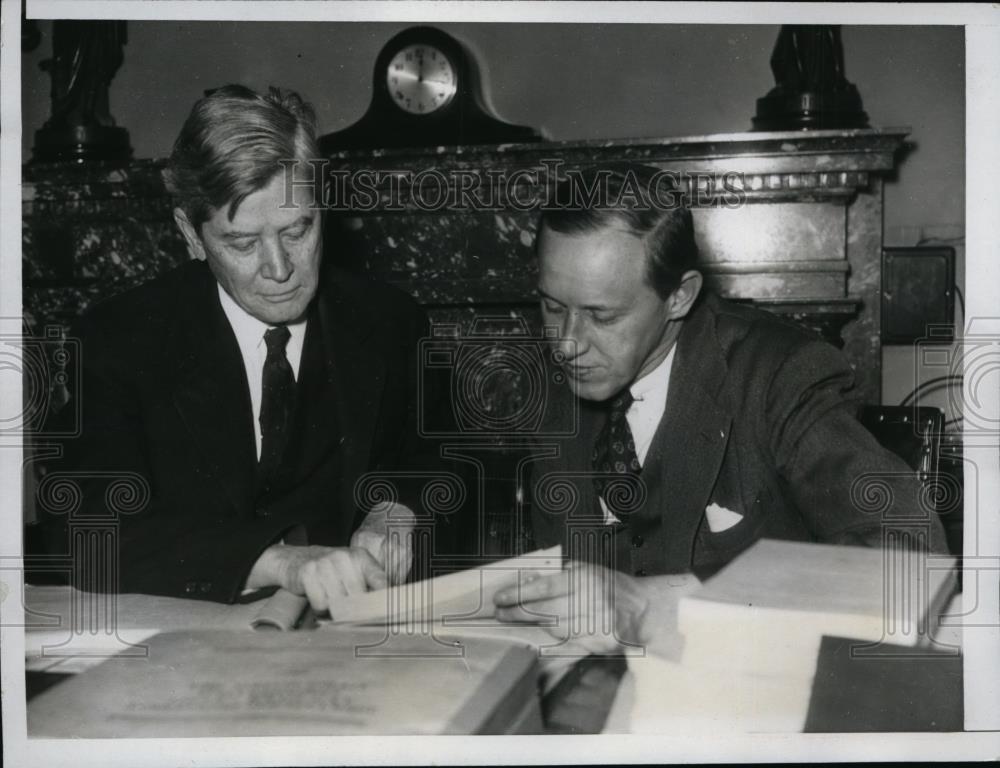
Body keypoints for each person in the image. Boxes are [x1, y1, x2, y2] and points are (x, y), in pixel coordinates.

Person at [494, 164, 949, 655]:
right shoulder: (555, 386)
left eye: (601, 315)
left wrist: (659, 601)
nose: (566, 344)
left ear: (679, 296)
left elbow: (909, 558)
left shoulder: (780, 374)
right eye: (552, 306)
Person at [40, 85, 440, 611]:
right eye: (243, 243)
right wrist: (276, 563)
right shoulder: (118, 340)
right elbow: (84, 526)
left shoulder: (390, 322)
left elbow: (435, 459)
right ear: (190, 233)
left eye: (298, 229)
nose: (280, 270)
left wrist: (398, 510)